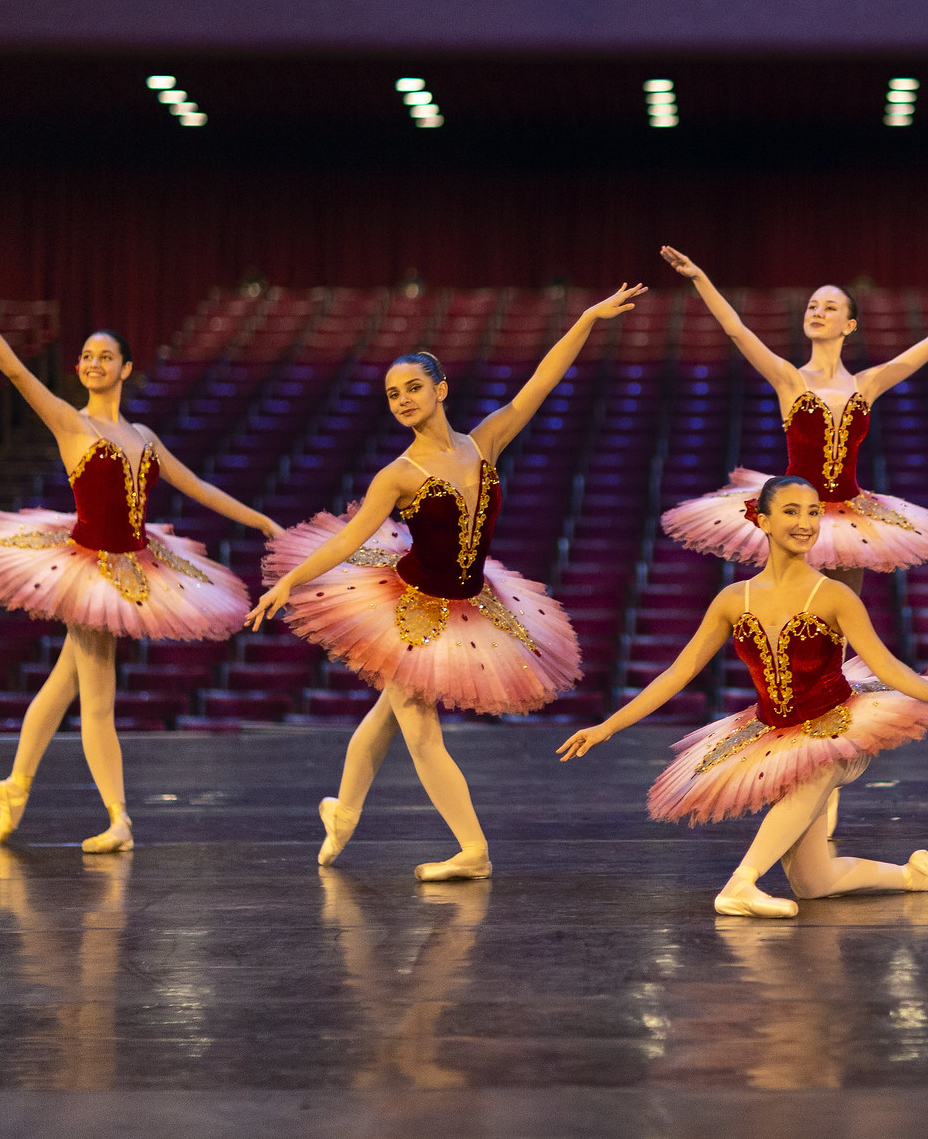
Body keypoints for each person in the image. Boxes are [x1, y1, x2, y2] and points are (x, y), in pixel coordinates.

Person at [250, 285, 644, 880]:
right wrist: (289, 582)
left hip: (470, 603)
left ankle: (344, 813)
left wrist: (587, 319)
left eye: (413, 388)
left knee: (388, 712)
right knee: (420, 730)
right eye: (392, 395)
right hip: (409, 606)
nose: (403, 400)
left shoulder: (484, 442)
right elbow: (348, 539)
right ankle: (474, 851)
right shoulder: (398, 474)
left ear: (440, 389)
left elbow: (541, 381)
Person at [0, 286, 279, 853]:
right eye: (87, 357)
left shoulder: (143, 437)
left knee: (65, 682)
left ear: (126, 368)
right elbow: (20, 375)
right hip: (90, 567)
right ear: (78, 369)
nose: (95, 363)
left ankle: (16, 785)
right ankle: (118, 818)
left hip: (135, 561)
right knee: (98, 700)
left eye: (106, 356)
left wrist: (259, 520)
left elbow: (194, 486)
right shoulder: (73, 425)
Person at [559, 475, 928, 918]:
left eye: (812, 512)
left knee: (820, 765)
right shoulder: (733, 599)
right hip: (775, 732)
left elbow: (885, 664)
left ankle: (740, 883)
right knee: (813, 884)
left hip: (838, 726)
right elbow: (679, 672)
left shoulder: (834, 595)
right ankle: (914, 875)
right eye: (791, 511)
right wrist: (607, 725)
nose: (805, 523)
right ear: (762, 520)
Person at [657, 246, 928, 590]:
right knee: (796, 610)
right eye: (812, 306)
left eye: (829, 307)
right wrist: (699, 278)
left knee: (841, 616)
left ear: (849, 325)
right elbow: (736, 330)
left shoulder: (866, 384)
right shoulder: (789, 378)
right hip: (795, 512)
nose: (817, 312)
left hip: (852, 514)